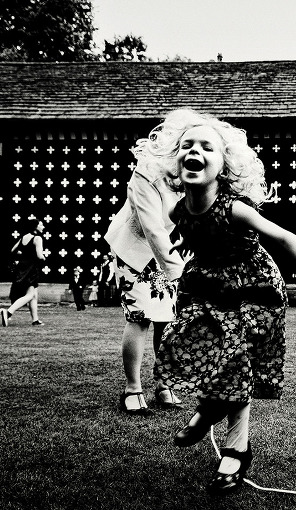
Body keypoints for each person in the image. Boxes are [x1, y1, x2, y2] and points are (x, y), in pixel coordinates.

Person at [149, 109, 296, 494]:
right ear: (174, 160)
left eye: (206, 147)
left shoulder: (234, 207)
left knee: (234, 358)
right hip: (205, 287)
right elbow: (189, 231)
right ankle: (210, 409)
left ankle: (231, 444)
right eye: (186, 146)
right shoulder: (176, 209)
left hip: (253, 289)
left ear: (223, 165)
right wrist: (184, 241)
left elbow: (281, 236)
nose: (194, 152)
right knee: (187, 343)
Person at [104, 126, 186, 416]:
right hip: (135, 251)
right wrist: (179, 274)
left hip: (171, 250)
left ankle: (164, 384)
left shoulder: (195, 173)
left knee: (168, 321)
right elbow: (152, 228)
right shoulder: (145, 173)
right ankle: (132, 388)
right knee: (139, 317)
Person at [0, 217, 46, 326]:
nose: (43, 226)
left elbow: (12, 250)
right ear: (35, 226)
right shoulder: (37, 238)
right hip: (31, 270)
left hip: (21, 269)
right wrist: (44, 258)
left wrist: (22, 256)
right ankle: (8, 312)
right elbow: (39, 255)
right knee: (30, 295)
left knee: (34, 295)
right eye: (41, 224)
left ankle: (35, 320)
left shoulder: (23, 238)